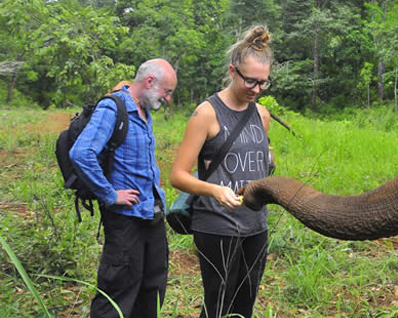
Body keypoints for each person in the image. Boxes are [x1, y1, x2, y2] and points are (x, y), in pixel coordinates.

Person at [170, 25, 274, 318]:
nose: (256, 89)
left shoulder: (262, 115)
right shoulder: (206, 114)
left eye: (263, 83)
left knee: (245, 302)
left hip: (256, 226)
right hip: (217, 226)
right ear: (233, 71)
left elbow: (260, 161)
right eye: (250, 81)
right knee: (218, 304)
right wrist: (215, 190)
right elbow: (178, 175)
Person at [70, 59, 177, 318]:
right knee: (118, 290)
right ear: (150, 82)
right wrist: (109, 194)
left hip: (151, 214)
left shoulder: (144, 109)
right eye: (167, 91)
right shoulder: (113, 108)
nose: (168, 98)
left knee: (152, 287)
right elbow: (82, 153)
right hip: (126, 220)